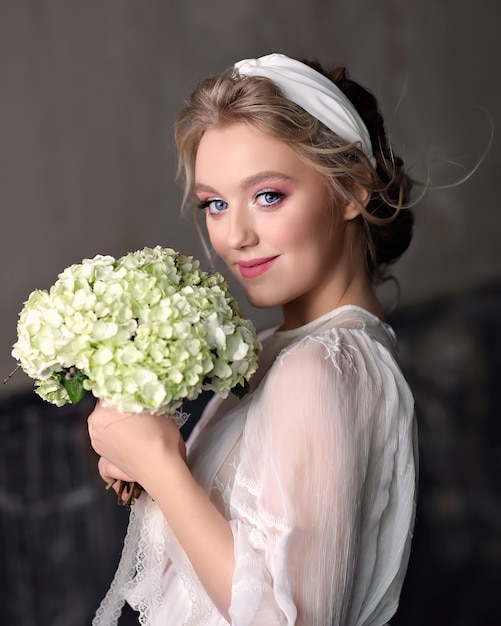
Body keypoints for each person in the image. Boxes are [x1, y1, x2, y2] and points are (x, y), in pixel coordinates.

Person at [87, 53, 418, 625]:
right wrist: (147, 467)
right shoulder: (274, 350)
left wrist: (164, 466)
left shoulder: (321, 368)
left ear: (352, 190)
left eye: (268, 195)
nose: (234, 236)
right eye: (215, 203)